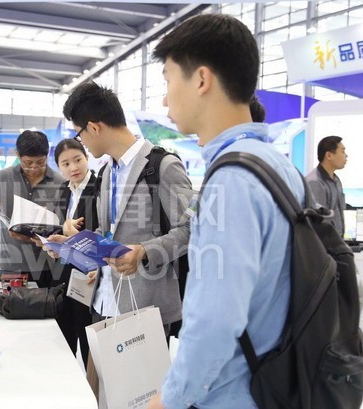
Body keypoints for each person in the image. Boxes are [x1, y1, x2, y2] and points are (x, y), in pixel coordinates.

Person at [148, 14, 305, 409]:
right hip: (281, 380)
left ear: (201, 80)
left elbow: (215, 317)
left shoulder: (231, 180)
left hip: (234, 394)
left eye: (168, 80)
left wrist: (170, 398)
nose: (165, 99)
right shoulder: (277, 164)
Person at [61, 81, 193, 336]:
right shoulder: (106, 172)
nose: (81, 142)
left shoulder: (162, 166)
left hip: (144, 306)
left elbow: (191, 229)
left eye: (79, 134)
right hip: (101, 302)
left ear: (94, 128)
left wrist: (144, 251)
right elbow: (107, 232)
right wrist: (70, 244)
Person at [0, 130, 66, 287]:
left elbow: (65, 224)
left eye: (40, 162)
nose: (34, 168)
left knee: (47, 303)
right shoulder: (2, 178)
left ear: (47, 155)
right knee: (8, 303)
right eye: (28, 163)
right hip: (11, 265)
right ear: (18, 155)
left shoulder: (60, 183)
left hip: (47, 266)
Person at [52, 138, 97, 367]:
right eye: (66, 164)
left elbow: (102, 230)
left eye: (77, 160)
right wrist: (55, 244)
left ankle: (91, 386)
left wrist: (72, 236)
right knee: (65, 336)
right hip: (65, 273)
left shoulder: (99, 188)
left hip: (91, 274)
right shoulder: (64, 190)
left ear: (86, 157)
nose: (73, 168)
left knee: (89, 340)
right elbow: (61, 226)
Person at [306, 136, 348, 237]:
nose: (346, 155)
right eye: (342, 151)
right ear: (329, 155)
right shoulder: (315, 182)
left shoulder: (336, 180)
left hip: (336, 241)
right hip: (324, 244)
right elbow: (319, 223)